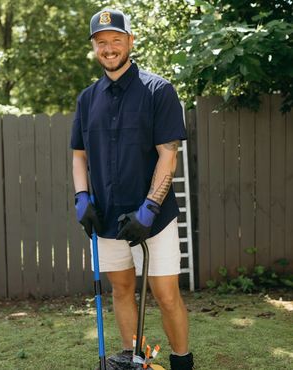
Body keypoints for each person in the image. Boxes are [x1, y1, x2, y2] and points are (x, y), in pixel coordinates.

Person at [71, 8, 194, 370]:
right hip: (107, 218)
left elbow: (168, 155)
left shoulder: (158, 90)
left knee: (166, 295)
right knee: (121, 290)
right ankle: (135, 362)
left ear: (130, 42)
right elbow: (79, 156)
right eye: (101, 42)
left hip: (152, 219)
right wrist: (81, 198)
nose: (109, 48)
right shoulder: (86, 99)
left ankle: (182, 362)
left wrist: (149, 209)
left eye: (116, 40)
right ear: (95, 47)